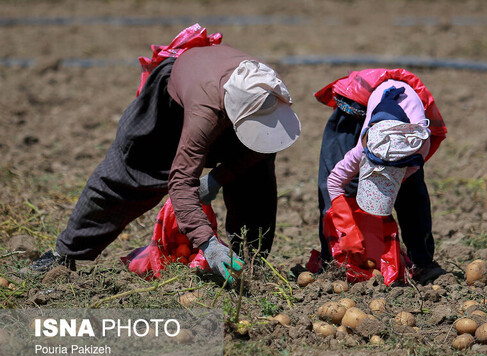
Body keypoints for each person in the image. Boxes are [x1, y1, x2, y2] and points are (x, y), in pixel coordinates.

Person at [24, 43, 301, 283]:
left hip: (226, 99)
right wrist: (208, 243)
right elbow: (181, 181)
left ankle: (248, 263)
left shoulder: (270, 92)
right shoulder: (206, 113)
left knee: (256, 171)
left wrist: (218, 178)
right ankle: (66, 252)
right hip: (173, 104)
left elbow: (264, 146)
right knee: (131, 172)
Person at [315, 69, 446, 284]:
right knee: (348, 188)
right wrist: (347, 227)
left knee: (412, 195)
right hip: (355, 104)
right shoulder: (363, 146)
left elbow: (407, 174)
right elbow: (334, 181)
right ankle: (333, 261)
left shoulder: (419, 145)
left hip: (405, 130)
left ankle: (421, 262)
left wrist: (389, 188)